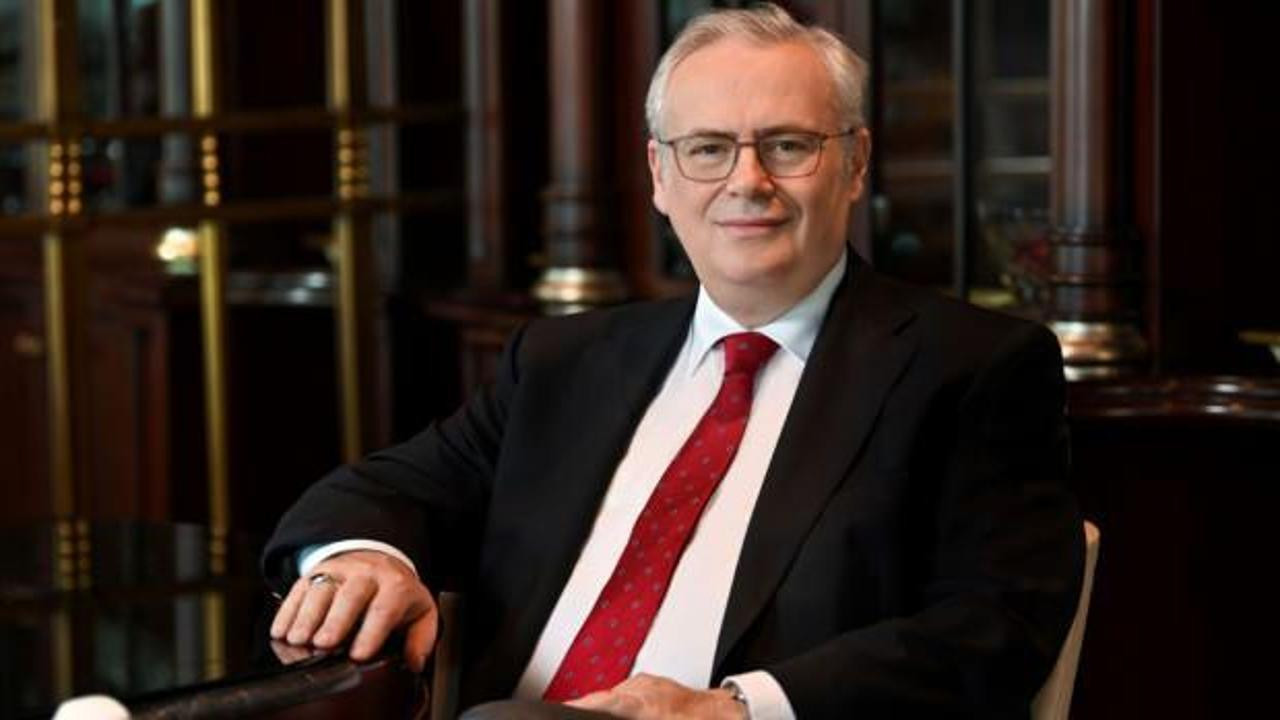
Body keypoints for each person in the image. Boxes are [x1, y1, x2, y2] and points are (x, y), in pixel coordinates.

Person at [263, 5, 1083, 718]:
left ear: (856, 164)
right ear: (660, 173)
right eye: (708, 149)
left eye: (788, 145)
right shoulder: (565, 361)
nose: (748, 181)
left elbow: (996, 627)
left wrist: (736, 709)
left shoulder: (970, 367)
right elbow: (382, 491)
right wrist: (365, 560)